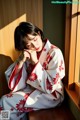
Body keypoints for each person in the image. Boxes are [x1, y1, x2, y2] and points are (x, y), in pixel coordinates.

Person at [0, 22, 65, 120]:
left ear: (38, 33)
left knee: (6, 101)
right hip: (34, 90)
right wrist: (21, 61)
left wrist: (35, 62)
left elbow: (51, 85)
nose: (34, 45)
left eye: (35, 39)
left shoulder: (55, 52)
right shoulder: (29, 52)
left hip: (51, 94)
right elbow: (16, 81)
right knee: (5, 100)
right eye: (28, 44)